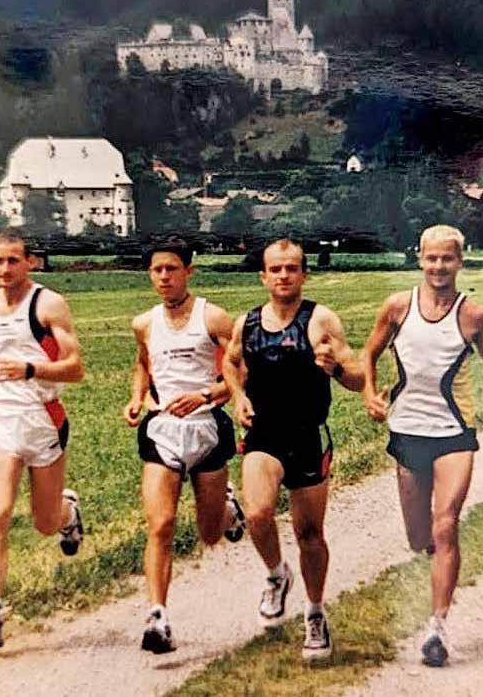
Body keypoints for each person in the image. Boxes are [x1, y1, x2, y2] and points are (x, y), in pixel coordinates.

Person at [362, 225, 483, 667]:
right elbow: (369, 352)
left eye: (447, 258)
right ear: (419, 259)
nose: (439, 266)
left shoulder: (474, 315)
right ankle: (437, 561)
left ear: (460, 262)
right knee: (419, 537)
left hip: (454, 433)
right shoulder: (397, 307)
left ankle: (437, 626)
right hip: (408, 430)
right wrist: (369, 393)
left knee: (446, 524)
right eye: (431, 258)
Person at [222, 238, 365, 661]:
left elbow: (358, 378)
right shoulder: (247, 323)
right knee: (257, 513)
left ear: (304, 274)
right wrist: (237, 396)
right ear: (263, 276)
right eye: (276, 269)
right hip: (263, 434)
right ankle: (276, 574)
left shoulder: (320, 320)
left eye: (291, 268)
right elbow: (230, 361)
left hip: (307, 436)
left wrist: (335, 368)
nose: (283, 275)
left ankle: (315, 612)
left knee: (309, 535)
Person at [0, 229, 85, 648]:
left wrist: (31, 370)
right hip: (0, 421)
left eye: (13, 260)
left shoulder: (47, 305)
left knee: (45, 523)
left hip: (43, 419)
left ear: (30, 261)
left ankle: (68, 512)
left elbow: (75, 368)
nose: (5, 268)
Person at [123, 239, 245, 655]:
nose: (164, 277)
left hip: (207, 429)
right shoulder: (144, 323)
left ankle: (228, 510)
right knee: (160, 525)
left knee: (209, 534)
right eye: (157, 270)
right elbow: (143, 363)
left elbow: (239, 373)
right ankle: (157, 617)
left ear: (188, 271)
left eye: (172, 269)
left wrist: (206, 396)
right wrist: (136, 397)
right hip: (162, 431)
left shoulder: (213, 317)